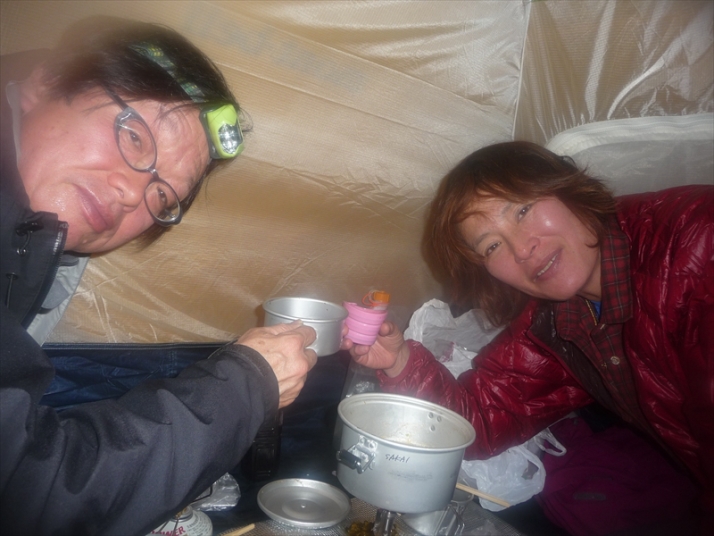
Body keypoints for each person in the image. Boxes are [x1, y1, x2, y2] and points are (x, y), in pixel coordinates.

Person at [1, 17, 318, 535]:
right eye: (134, 136)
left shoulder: (34, 246)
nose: (132, 194)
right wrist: (247, 384)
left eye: (162, 194)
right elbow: (26, 494)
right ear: (47, 81)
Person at [342, 141, 713, 529]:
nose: (522, 250)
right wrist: (399, 360)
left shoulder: (698, 250)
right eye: (492, 245)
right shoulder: (558, 319)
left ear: (565, 185)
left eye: (522, 210)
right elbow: (480, 419)